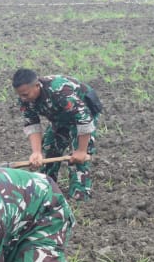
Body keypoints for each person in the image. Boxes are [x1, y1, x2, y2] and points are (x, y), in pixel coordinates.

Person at [11, 68, 101, 201]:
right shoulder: (25, 99)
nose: (22, 98)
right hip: (60, 118)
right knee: (49, 148)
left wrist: (81, 151)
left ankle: (80, 196)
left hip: (82, 117)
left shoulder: (60, 92)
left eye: (25, 94)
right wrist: (36, 152)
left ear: (37, 86)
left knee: (77, 158)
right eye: (20, 95)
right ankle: (47, 190)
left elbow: (84, 120)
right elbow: (32, 124)